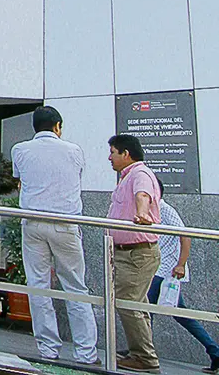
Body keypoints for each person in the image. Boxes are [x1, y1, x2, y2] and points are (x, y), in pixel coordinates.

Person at [9, 106, 99, 364]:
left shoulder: (19, 149)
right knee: (75, 286)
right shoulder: (74, 150)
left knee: (38, 285)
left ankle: (48, 349)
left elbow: (19, 180)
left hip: (33, 223)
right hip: (65, 223)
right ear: (58, 126)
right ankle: (86, 353)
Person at [143, 178, 219, 374]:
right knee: (176, 313)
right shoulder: (151, 210)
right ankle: (215, 351)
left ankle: (141, 352)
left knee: (144, 309)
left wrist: (181, 264)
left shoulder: (165, 209)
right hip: (159, 267)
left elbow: (185, 235)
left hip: (166, 270)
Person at [107, 134, 162, 373]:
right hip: (129, 253)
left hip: (136, 254)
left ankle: (145, 357)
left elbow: (143, 195)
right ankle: (140, 351)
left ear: (125, 153)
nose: (109, 157)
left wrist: (142, 214)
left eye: (113, 152)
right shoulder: (128, 176)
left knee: (127, 303)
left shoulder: (140, 174)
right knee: (136, 304)